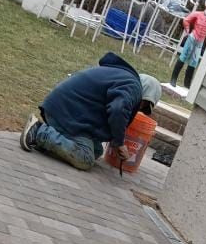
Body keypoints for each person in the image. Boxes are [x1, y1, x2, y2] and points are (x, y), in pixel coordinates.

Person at [20, 52, 162, 171]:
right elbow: (118, 110)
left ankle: (49, 141)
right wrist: (119, 143)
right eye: (144, 106)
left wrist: (114, 138)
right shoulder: (133, 87)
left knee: (96, 151)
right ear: (145, 94)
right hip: (66, 113)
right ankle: (40, 132)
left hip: (67, 111)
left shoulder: (123, 78)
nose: (140, 109)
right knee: (85, 159)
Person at [169, 0, 206, 91]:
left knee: (194, 61)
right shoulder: (197, 14)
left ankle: (187, 84)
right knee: (183, 56)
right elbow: (186, 20)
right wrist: (187, 31)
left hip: (200, 41)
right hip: (192, 38)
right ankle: (173, 79)